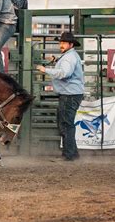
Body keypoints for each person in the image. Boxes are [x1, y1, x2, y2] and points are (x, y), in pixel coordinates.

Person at [36, 32, 84, 161]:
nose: (61, 45)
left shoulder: (69, 57)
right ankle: (72, 153)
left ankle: (69, 154)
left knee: (65, 124)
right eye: (60, 42)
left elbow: (64, 73)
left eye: (63, 43)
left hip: (69, 94)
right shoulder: (70, 56)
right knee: (66, 123)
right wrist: (56, 60)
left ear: (71, 44)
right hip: (71, 94)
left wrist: (45, 70)